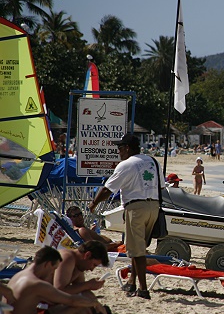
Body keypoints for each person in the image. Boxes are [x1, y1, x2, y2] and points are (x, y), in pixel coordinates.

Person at [90, 133, 162, 300]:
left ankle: (143, 289)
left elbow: (107, 190)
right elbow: (161, 187)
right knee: (138, 247)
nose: (118, 152)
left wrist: (93, 204)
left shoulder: (126, 164)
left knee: (136, 251)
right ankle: (132, 281)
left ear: (128, 148)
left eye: (120, 148)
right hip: (154, 206)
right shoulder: (153, 161)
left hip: (136, 207)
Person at [6, 246, 99, 314]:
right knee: (79, 308)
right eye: (54, 269)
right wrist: (94, 303)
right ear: (47, 264)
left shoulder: (19, 275)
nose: (52, 273)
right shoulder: (37, 284)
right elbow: (71, 300)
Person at [53, 241, 110, 314]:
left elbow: (82, 290)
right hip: (40, 306)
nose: (92, 269)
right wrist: (88, 285)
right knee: (83, 309)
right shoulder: (67, 258)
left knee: (90, 308)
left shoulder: (79, 264)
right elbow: (59, 292)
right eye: (94, 264)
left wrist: (97, 304)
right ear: (87, 255)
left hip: (50, 303)